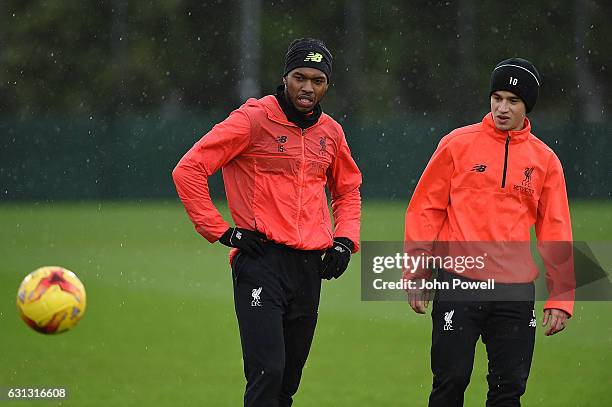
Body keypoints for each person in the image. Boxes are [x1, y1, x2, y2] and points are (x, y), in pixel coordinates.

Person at [172, 38, 361, 407]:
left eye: (318, 80)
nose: (308, 88)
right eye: (299, 77)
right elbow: (189, 169)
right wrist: (222, 230)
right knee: (267, 372)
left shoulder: (331, 133)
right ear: (285, 77)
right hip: (261, 262)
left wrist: (344, 240)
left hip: (309, 268)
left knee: (287, 383)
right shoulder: (253, 120)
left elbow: (348, 191)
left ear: (327, 85)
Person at [404, 58, 574, 406]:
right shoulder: (456, 144)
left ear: (528, 106)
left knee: (508, 389)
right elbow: (425, 209)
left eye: (513, 100)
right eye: (497, 97)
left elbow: (555, 229)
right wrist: (417, 270)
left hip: (514, 291)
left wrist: (561, 297)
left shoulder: (545, 160)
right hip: (458, 282)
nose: (502, 107)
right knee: (450, 382)